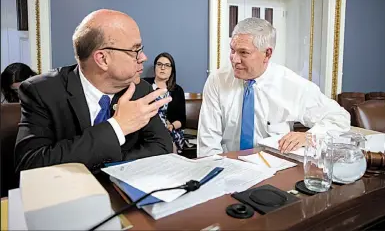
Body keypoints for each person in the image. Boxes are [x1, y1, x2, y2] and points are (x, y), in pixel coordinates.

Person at [15, 9, 173, 173]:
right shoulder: (42, 91)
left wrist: (105, 166)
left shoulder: (140, 90)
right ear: (103, 59)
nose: (143, 57)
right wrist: (117, 127)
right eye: (135, 51)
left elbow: (162, 147)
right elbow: (31, 164)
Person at [197, 18, 350, 157]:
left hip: (274, 168)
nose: (234, 59)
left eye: (243, 52)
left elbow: (339, 118)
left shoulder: (291, 84)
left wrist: (309, 137)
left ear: (267, 54)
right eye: (232, 50)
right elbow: (208, 143)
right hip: (227, 166)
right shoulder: (217, 81)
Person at [144, 52, 187, 153]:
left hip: (169, 130)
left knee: (167, 143)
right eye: (159, 64)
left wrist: (171, 126)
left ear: (172, 70)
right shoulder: (144, 85)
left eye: (167, 65)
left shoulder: (177, 90)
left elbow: (182, 120)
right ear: (155, 67)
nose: (162, 68)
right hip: (146, 129)